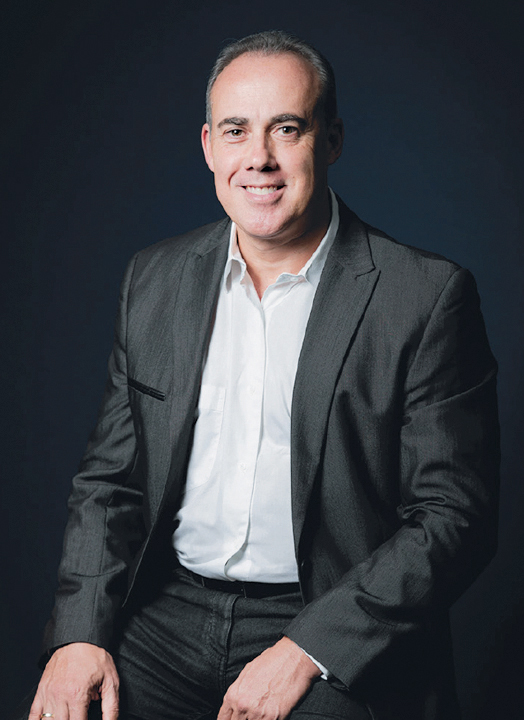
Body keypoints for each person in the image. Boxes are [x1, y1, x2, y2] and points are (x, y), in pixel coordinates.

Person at [28, 30, 499, 720]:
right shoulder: (153, 280)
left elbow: (455, 517)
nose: (259, 158)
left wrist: (309, 647)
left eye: (287, 128)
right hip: (164, 617)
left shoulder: (424, 298)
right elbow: (110, 482)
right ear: (208, 147)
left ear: (331, 140)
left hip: (327, 617)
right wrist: (78, 634)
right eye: (236, 131)